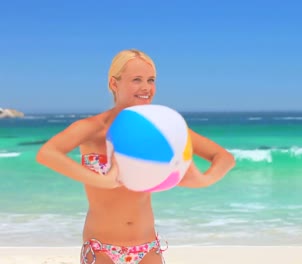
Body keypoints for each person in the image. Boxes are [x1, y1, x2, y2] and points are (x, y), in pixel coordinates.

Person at [36, 49, 236, 264]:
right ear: (114, 84)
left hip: (148, 247)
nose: (146, 88)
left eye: (151, 80)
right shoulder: (94, 128)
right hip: (102, 248)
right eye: (136, 80)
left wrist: (204, 180)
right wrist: (101, 180)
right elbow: (47, 154)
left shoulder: (161, 128)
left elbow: (224, 157)